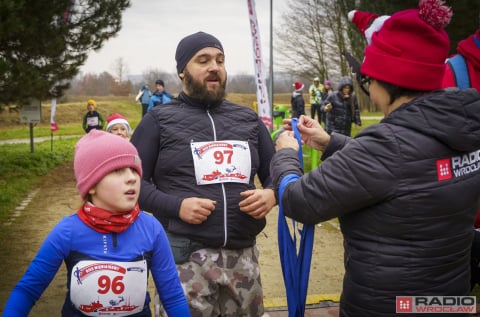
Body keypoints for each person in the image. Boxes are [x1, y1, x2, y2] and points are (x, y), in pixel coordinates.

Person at [271, 2, 480, 316]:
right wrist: (330, 142)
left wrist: (286, 155)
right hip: (446, 301)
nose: (369, 93)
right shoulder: (462, 127)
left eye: (368, 81)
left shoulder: (387, 148)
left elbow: (299, 201)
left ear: (388, 81)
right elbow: (407, 169)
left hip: (385, 306)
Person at [130, 31, 276, 317]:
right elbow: (133, 184)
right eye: (203, 60)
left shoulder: (247, 119)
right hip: (186, 260)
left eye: (220, 60)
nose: (214, 67)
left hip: (243, 258)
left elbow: (277, 173)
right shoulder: (157, 120)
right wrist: (176, 206)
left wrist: (271, 194)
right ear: (182, 71)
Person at [2, 130, 190, 317]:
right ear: (91, 185)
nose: (132, 177)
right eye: (117, 170)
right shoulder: (68, 231)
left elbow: (173, 296)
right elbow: (27, 291)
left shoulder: (152, 229)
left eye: (134, 169)